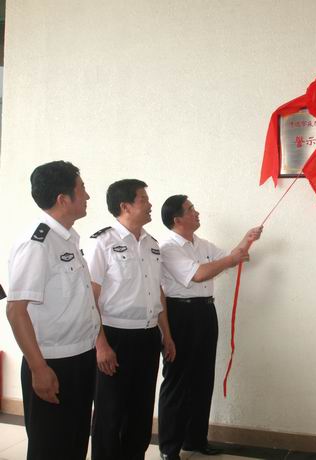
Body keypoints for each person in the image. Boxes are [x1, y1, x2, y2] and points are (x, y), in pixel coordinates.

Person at [6, 161, 101, 460]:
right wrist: (38, 368)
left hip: (81, 357)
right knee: (50, 448)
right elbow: (16, 311)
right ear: (63, 199)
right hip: (53, 364)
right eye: (82, 189)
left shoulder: (68, 239)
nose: (88, 196)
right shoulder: (37, 243)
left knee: (74, 444)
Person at [157, 194, 262, 460]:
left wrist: (247, 239)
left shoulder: (201, 243)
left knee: (202, 378)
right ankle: (169, 448)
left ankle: (195, 440)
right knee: (178, 380)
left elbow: (229, 257)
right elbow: (199, 274)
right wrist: (232, 259)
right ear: (177, 219)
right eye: (190, 209)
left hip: (205, 311)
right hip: (180, 314)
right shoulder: (168, 247)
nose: (196, 212)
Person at [85, 179, 176, 460]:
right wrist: (101, 345)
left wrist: (167, 334)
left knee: (140, 411)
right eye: (143, 200)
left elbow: (157, 292)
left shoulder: (152, 244)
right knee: (110, 412)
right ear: (125, 206)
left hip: (147, 336)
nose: (150, 205)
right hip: (114, 336)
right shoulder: (103, 242)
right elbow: (89, 298)